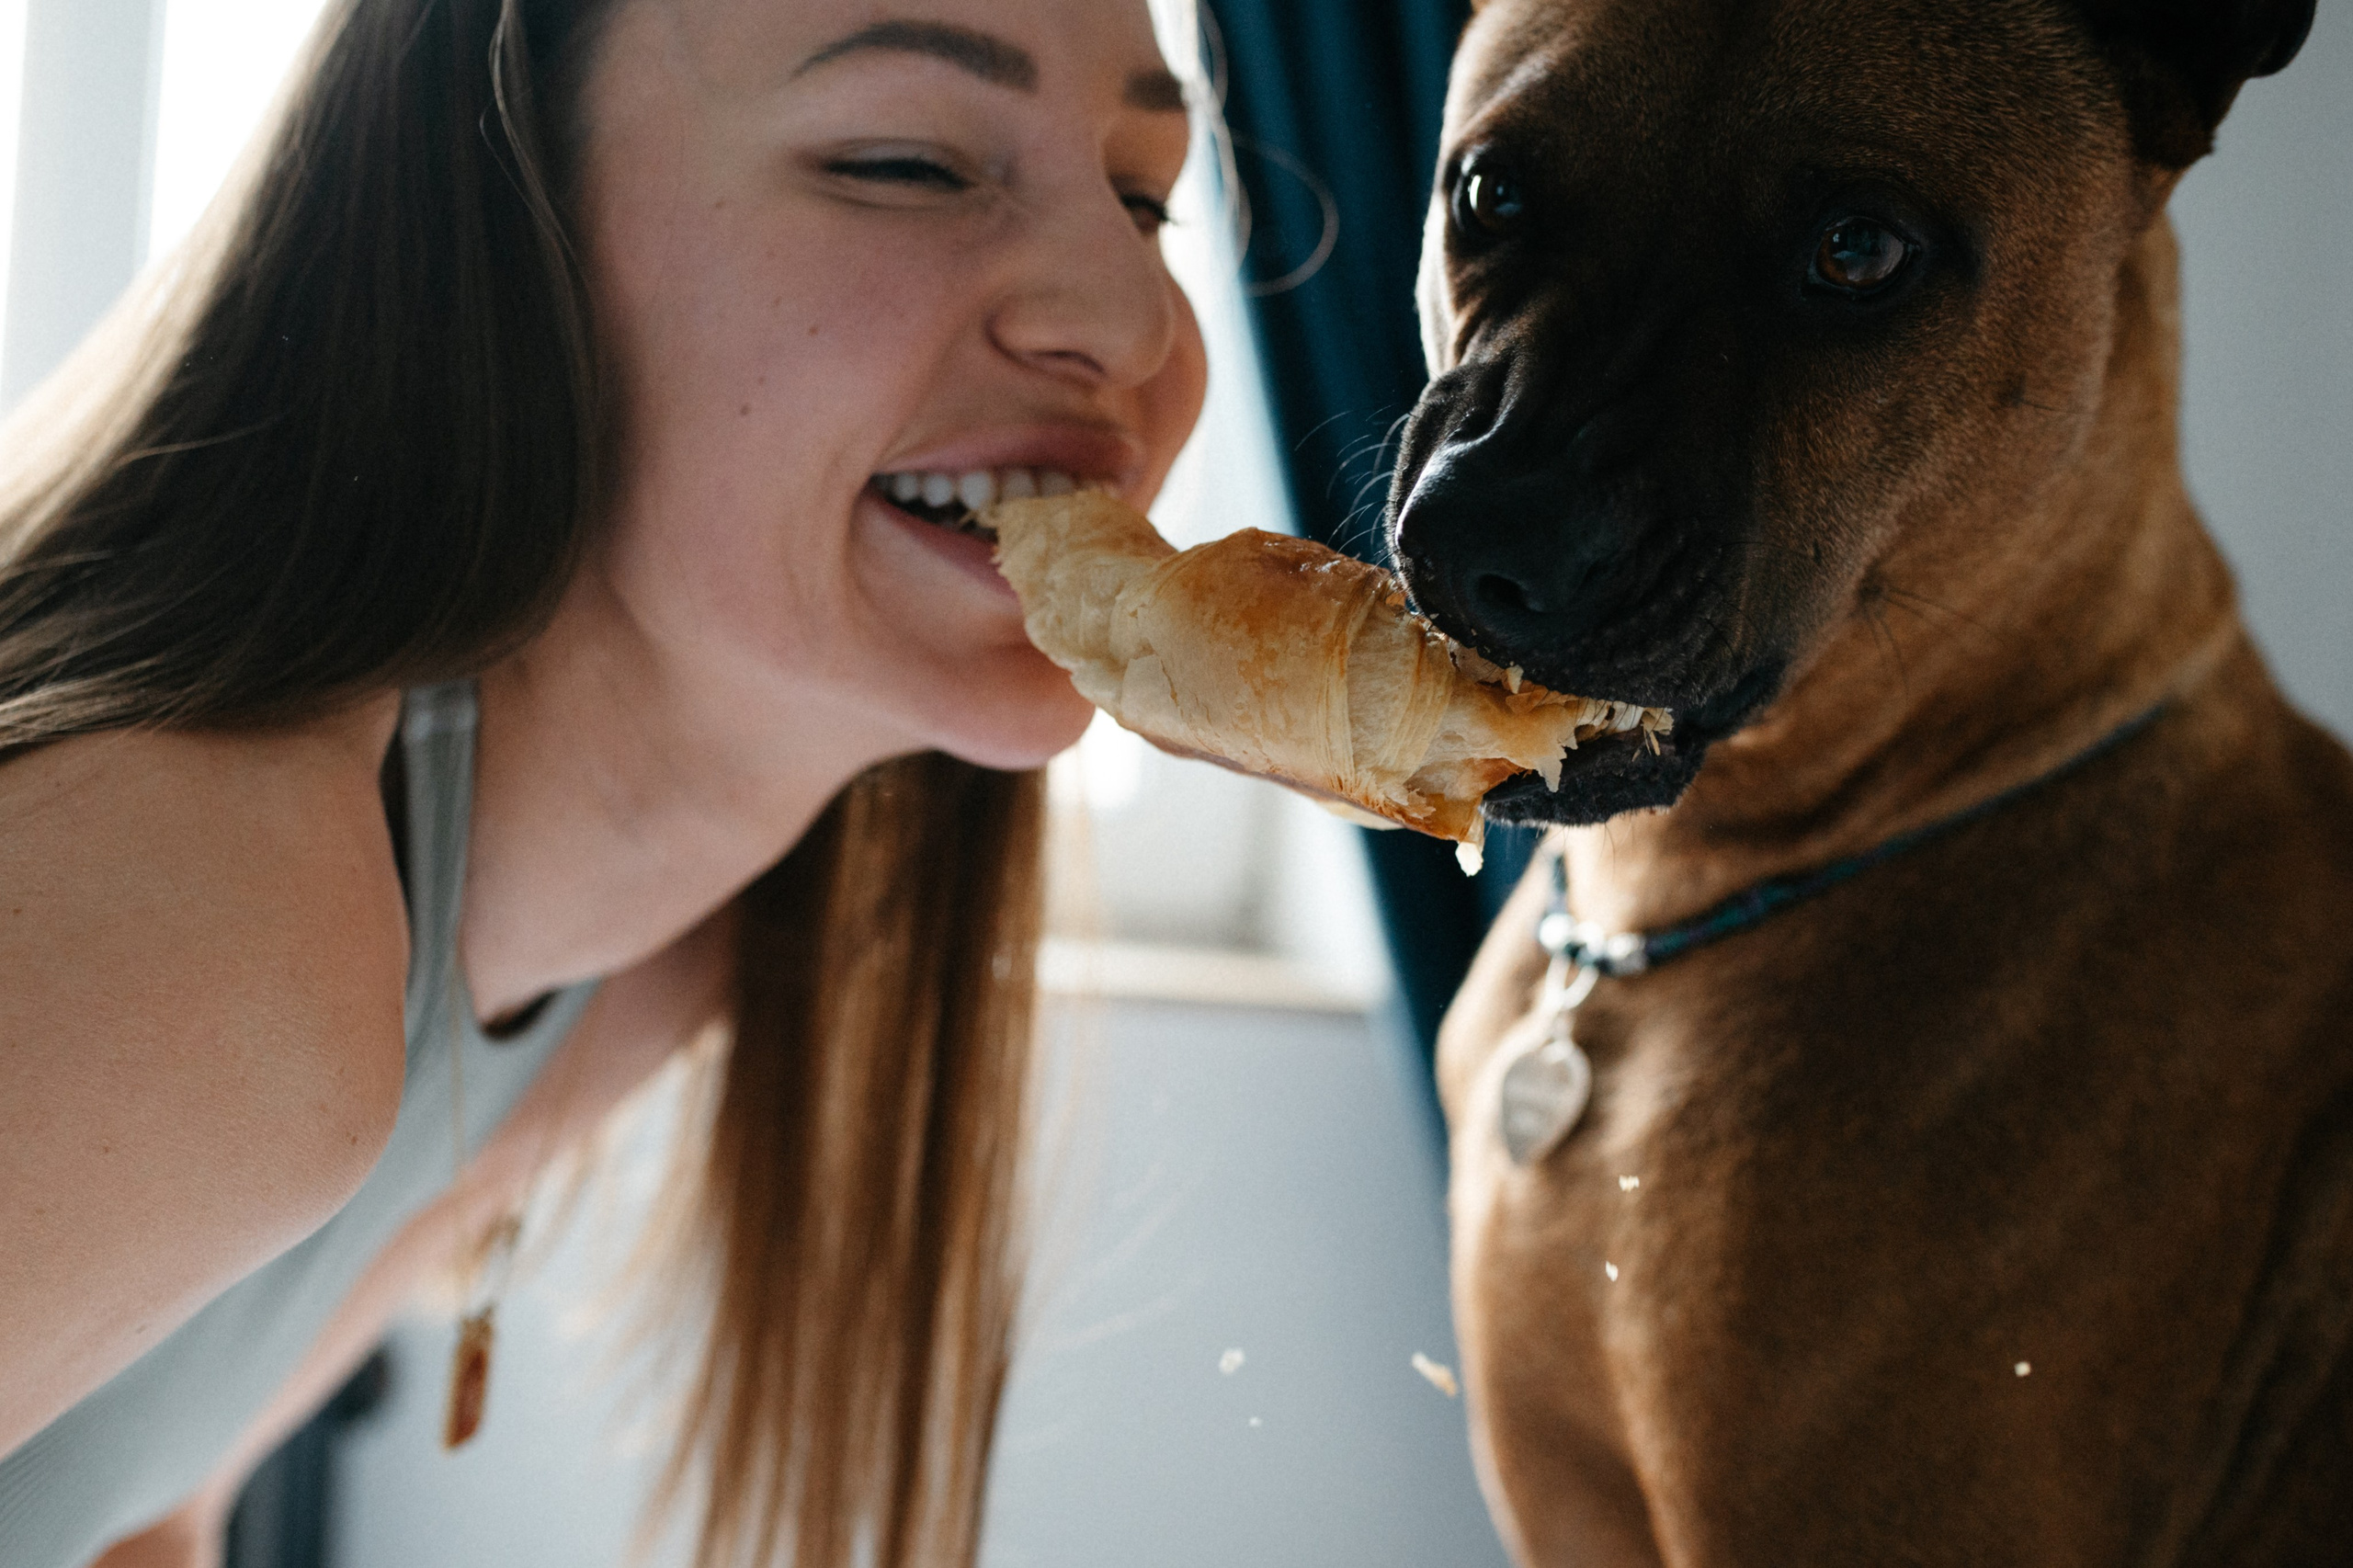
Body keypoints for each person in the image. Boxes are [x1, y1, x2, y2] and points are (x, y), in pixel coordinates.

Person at [0, 0, 1206, 1563]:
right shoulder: (220, 940)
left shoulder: (654, 950)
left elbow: (131, 1504)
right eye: (905, 163)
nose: (1133, 319)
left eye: (1144, 196)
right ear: (501, 236)